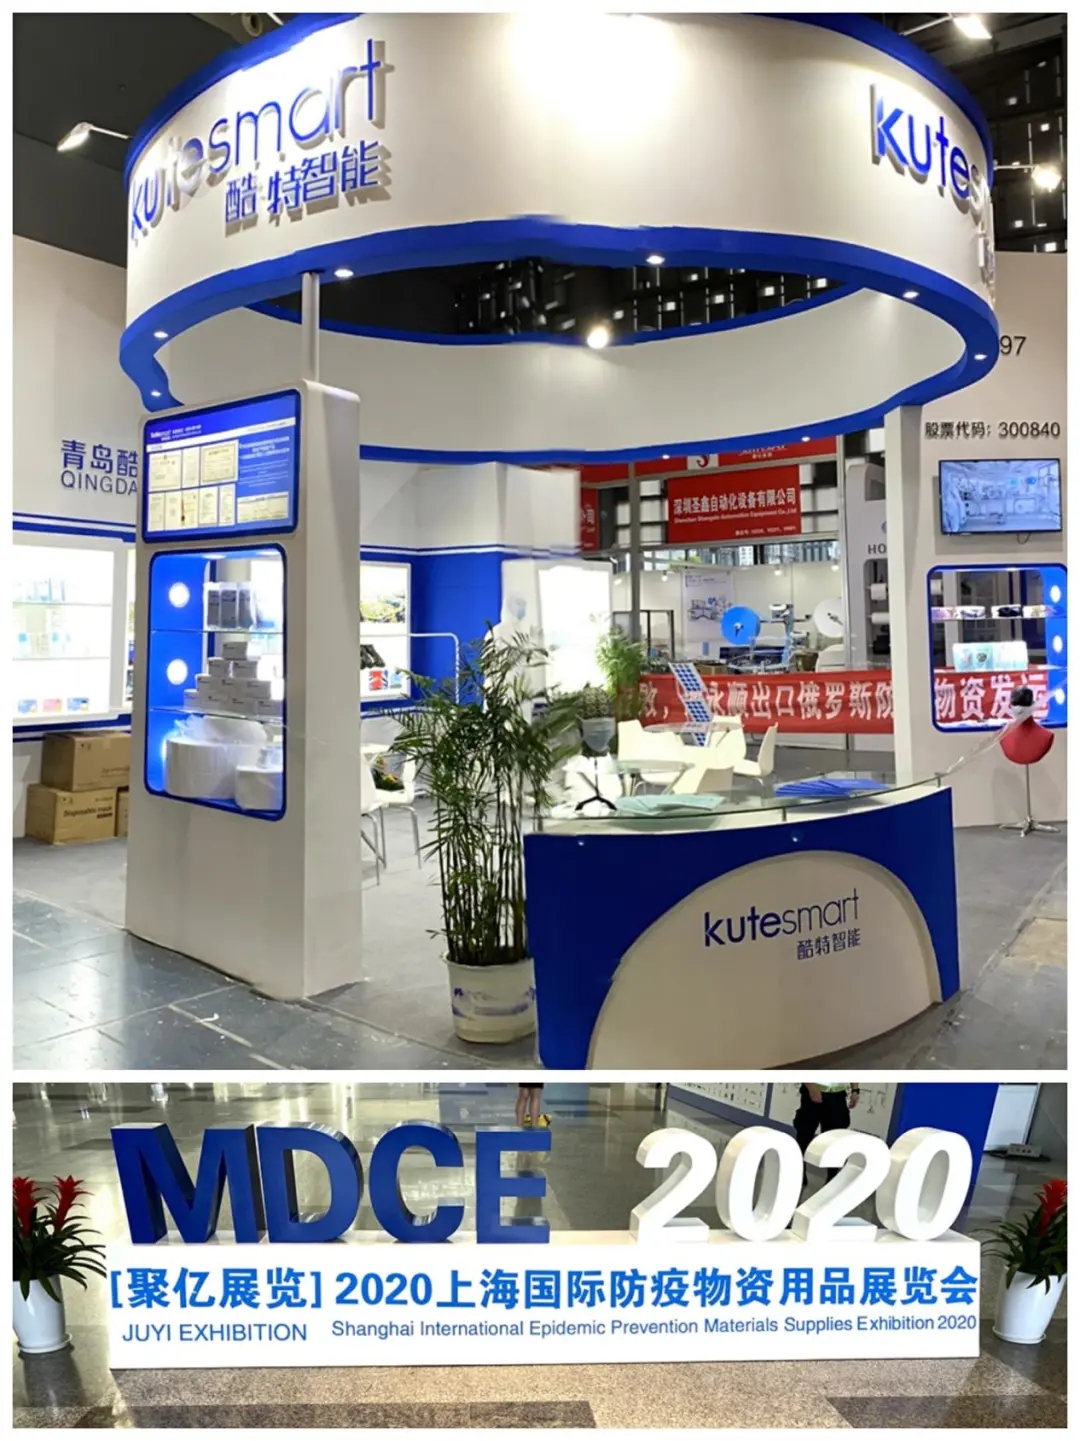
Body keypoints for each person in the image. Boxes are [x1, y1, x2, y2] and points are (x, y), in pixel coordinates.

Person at [793, 1081, 860, 1184]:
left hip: (837, 1096)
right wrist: (811, 1087)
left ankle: (832, 1179)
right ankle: (800, 1175)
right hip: (813, 1091)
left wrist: (855, 1090)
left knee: (834, 1140)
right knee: (804, 1136)